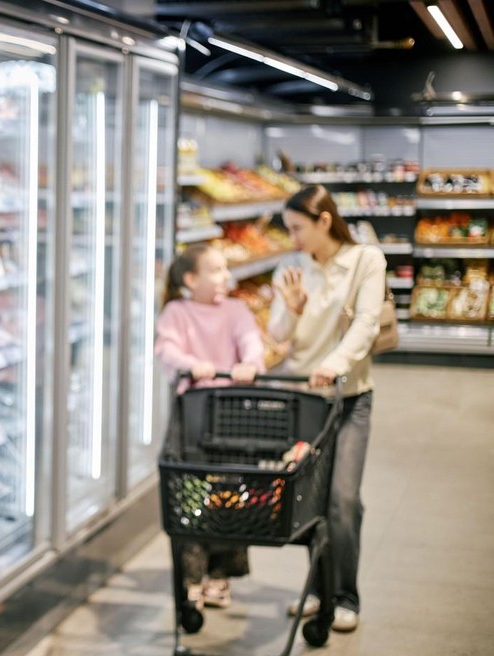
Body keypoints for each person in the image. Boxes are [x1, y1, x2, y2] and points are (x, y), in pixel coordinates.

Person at [269, 184, 385, 633]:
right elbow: (279, 333)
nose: (293, 238)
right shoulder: (291, 268)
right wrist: (293, 309)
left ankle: (346, 594)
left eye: (298, 228)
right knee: (308, 500)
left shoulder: (365, 261)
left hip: (350, 396)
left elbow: (367, 322)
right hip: (303, 400)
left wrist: (334, 363)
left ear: (323, 221)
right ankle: (318, 591)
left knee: (343, 499)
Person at [154, 242, 266, 609]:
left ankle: (221, 573)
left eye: (225, 269)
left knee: (232, 491)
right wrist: (190, 363)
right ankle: (192, 574)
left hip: (233, 416)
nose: (226, 277)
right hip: (193, 418)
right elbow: (166, 349)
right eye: (216, 270)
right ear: (190, 279)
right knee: (191, 494)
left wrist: (249, 363)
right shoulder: (177, 311)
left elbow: (251, 342)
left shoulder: (236, 310)